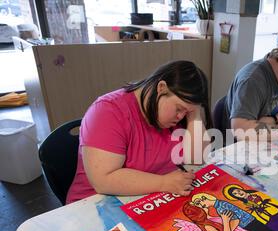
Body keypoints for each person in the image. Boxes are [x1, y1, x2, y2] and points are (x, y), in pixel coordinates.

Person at [66, 60, 212, 204]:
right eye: (179, 108)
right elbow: (103, 180)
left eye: (187, 111)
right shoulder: (108, 112)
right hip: (95, 205)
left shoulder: (177, 117)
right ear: (161, 88)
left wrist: (194, 114)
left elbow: (197, 159)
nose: (181, 116)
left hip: (148, 200)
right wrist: (163, 183)